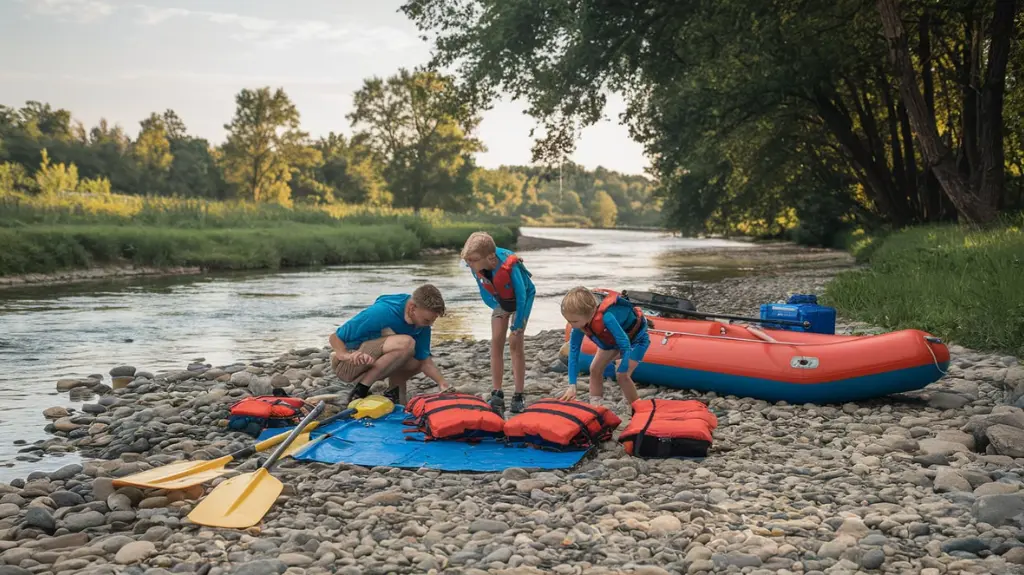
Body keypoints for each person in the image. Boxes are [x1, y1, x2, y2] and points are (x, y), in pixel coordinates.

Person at [329, 284, 452, 405]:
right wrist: (345, 355)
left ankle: (394, 394)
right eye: (427, 320)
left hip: (374, 363)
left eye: (432, 321)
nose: (430, 325)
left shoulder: (421, 323)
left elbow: (425, 362)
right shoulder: (381, 312)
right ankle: (360, 390)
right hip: (349, 366)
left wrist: (442, 384)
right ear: (412, 308)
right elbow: (334, 338)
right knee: (406, 343)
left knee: (417, 360)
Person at [461, 231, 536, 414]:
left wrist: (517, 325)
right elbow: (485, 292)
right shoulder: (474, 265)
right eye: (468, 260)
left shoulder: (510, 266)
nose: (470, 264)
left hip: (522, 300)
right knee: (496, 342)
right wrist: (498, 309)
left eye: (473, 260)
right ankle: (497, 393)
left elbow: (522, 295)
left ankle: (518, 395)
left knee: (515, 343)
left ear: (490, 256)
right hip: (500, 300)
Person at [559, 287, 649, 407]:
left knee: (622, 375)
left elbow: (625, 344)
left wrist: (623, 365)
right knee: (595, 369)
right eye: (568, 321)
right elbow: (574, 353)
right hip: (610, 342)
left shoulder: (607, 317)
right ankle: (596, 406)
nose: (571, 325)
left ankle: (637, 408)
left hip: (636, 341)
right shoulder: (578, 328)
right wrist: (572, 385)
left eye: (574, 321)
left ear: (590, 313)